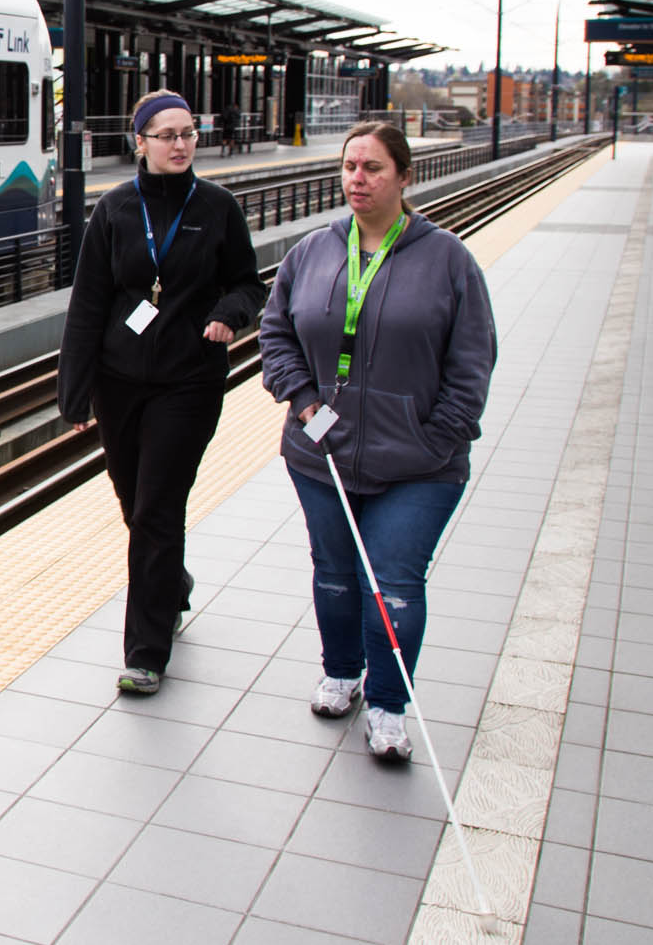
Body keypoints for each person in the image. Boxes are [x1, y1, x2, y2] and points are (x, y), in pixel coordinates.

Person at [258, 121, 496, 761]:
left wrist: (436, 438)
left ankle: (389, 706)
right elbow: (275, 331)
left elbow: (472, 363)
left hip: (419, 466)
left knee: (392, 585)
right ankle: (341, 672)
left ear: (405, 176)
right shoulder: (314, 251)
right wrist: (304, 403)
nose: (357, 179)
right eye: (349, 167)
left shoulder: (448, 260)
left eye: (373, 168)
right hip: (321, 455)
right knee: (335, 574)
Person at [59, 90, 266, 695]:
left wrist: (230, 311)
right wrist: (74, 390)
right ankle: (170, 584)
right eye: (167, 135)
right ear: (140, 142)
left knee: (156, 508)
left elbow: (247, 284)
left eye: (189, 133)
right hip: (119, 385)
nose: (180, 145)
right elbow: (89, 303)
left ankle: (146, 651)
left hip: (188, 382)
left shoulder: (218, 207)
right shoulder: (115, 211)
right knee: (135, 505)